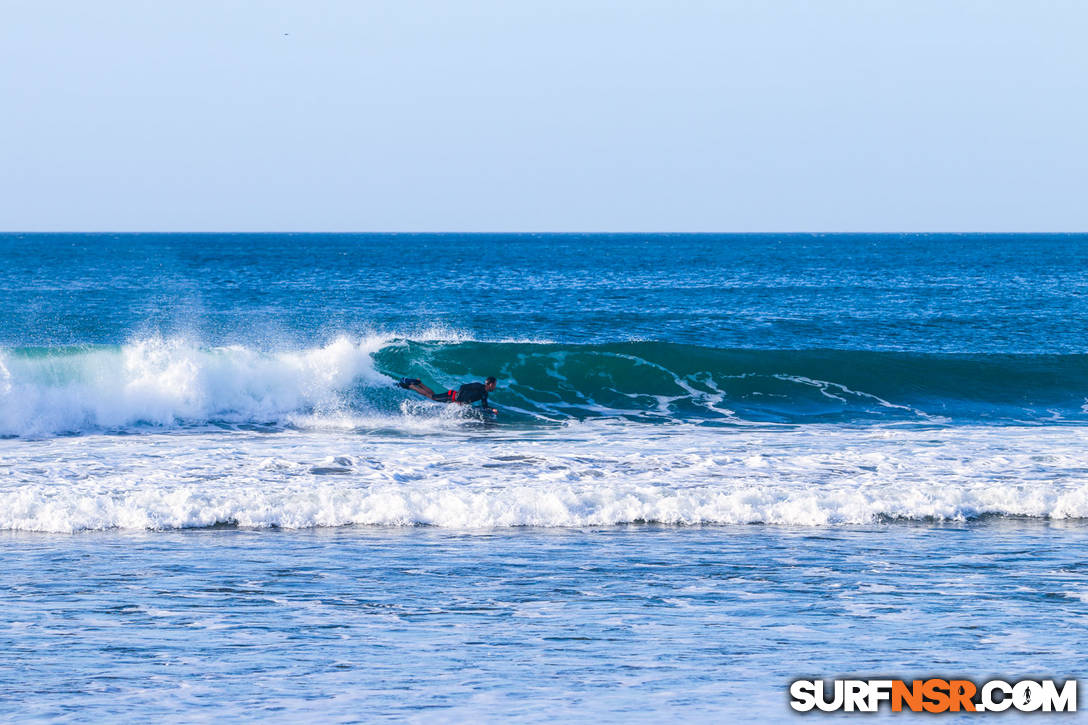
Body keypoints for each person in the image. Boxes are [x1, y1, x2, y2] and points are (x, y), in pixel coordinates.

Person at [397, 376, 498, 414]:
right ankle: (411, 386)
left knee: (433, 395)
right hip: (452, 396)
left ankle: (419, 383)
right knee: (432, 397)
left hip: (453, 398)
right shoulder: (478, 386)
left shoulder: (484, 394)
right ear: (490, 384)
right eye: (495, 385)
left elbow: (485, 406)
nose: (495, 387)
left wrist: (492, 410)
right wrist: (459, 399)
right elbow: (463, 387)